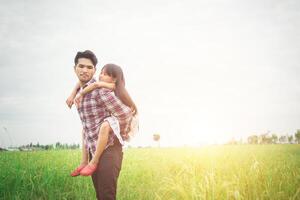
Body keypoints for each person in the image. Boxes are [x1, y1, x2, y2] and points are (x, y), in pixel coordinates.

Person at [67, 50, 135, 200]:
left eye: (89, 67)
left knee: (106, 196)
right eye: (81, 66)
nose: (85, 70)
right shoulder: (81, 90)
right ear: (75, 69)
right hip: (94, 149)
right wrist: (73, 93)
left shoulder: (101, 91)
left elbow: (126, 114)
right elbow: (80, 84)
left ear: (94, 70)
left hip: (109, 150)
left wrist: (113, 127)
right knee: (100, 196)